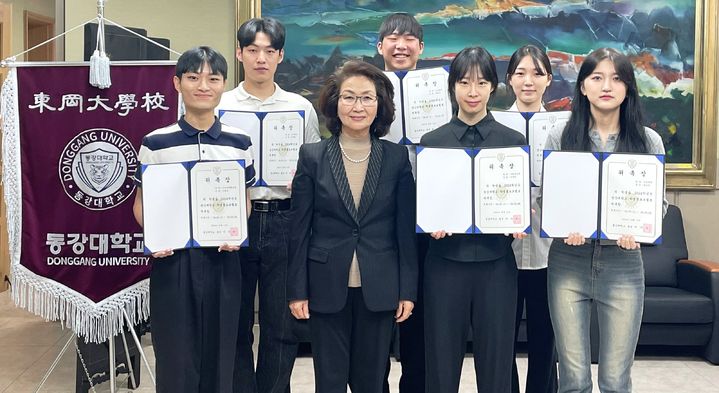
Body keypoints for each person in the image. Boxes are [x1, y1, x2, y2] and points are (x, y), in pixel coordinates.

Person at [287, 60, 418, 393]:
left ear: (380, 105)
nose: (357, 106)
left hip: (380, 283)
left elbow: (404, 230)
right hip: (326, 283)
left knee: (372, 380)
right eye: (348, 97)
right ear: (335, 103)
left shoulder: (396, 158)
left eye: (367, 98)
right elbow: (299, 229)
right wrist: (297, 289)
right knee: (329, 381)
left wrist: (407, 289)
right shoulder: (312, 156)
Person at [132, 46, 255, 393]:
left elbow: (243, 201)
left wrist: (238, 230)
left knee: (222, 351)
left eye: (213, 78)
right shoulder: (155, 143)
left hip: (223, 257)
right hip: (174, 262)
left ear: (224, 84)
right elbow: (142, 204)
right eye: (193, 77)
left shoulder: (239, 142)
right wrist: (155, 237)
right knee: (175, 353)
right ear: (177, 83)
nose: (203, 85)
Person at [543, 47, 666, 393]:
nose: (606, 86)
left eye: (616, 78)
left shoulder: (647, 141)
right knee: (574, 379)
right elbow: (546, 199)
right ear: (583, 87)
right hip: (568, 262)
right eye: (597, 77)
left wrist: (640, 231)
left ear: (628, 87)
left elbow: (659, 206)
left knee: (615, 379)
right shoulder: (561, 137)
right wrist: (561, 223)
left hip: (623, 264)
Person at [217, 17, 320, 393]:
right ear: (240, 54)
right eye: (253, 50)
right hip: (235, 222)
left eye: (269, 51)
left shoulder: (300, 107)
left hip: (284, 219)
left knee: (282, 322)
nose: (261, 58)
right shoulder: (222, 105)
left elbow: (312, 165)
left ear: (280, 56)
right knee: (236, 319)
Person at [420, 46, 526, 393]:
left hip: (496, 264)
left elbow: (518, 202)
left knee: (497, 362)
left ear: (493, 88)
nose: (472, 92)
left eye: (481, 83)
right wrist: (428, 220)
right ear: (452, 87)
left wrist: (520, 217)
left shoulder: (513, 142)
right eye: (464, 82)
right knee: (440, 360)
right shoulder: (432, 142)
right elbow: (424, 203)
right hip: (444, 263)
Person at [376, 12, 426, 393]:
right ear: (380, 48)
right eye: (392, 38)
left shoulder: (439, 91)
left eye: (408, 38)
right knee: (376, 316)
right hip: (376, 218)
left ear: (420, 48)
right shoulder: (366, 93)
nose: (400, 44)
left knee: (418, 316)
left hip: (427, 218)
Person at [505, 44, 559, 393]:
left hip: (549, 252)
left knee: (545, 340)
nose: (529, 81)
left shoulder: (564, 129)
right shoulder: (492, 124)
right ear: (509, 79)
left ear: (548, 80)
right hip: (503, 253)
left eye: (537, 73)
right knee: (501, 341)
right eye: (521, 73)